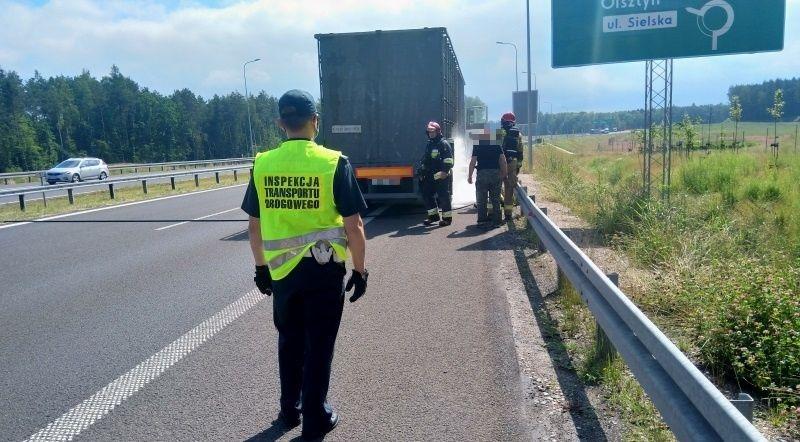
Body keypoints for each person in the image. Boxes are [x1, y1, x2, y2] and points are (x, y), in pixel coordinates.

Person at [240, 89, 369, 440]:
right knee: (319, 345)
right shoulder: (333, 163)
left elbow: (254, 226)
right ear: (315, 121)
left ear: (280, 123)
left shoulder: (263, 163)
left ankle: (289, 410)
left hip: (282, 272)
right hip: (323, 271)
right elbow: (354, 225)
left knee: (290, 341)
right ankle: (315, 419)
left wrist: (261, 268)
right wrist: (360, 270)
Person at [418, 121, 454, 227]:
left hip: (441, 175)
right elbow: (426, 159)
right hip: (430, 175)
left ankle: (447, 219)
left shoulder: (443, 144)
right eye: (429, 132)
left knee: (443, 196)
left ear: (438, 132)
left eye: (432, 131)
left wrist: (445, 171)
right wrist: (422, 170)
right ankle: (433, 216)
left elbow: (449, 160)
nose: (431, 134)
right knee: (427, 194)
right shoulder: (430, 144)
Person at [468, 134, 507, 228]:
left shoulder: (477, 145)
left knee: (481, 200)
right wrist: (504, 174)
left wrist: (470, 176)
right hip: (495, 174)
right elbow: (503, 160)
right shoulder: (496, 145)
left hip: (482, 174)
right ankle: (497, 221)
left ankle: (482, 221)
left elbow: (473, 161)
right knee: (495, 199)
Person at [499, 112, 524, 221]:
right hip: (512, 163)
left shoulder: (498, 133)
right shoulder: (518, 134)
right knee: (509, 188)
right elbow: (520, 151)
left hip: (499, 163)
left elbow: (493, 149)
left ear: (503, 121)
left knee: (495, 187)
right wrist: (518, 167)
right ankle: (508, 214)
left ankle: (493, 212)